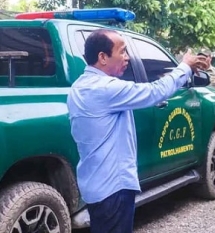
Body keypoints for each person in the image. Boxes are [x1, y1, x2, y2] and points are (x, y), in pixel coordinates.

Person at [66, 29, 205, 233]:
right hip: (113, 188)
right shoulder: (105, 88)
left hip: (96, 185)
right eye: (122, 52)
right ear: (102, 57)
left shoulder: (80, 86)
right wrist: (184, 66)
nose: (127, 57)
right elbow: (155, 92)